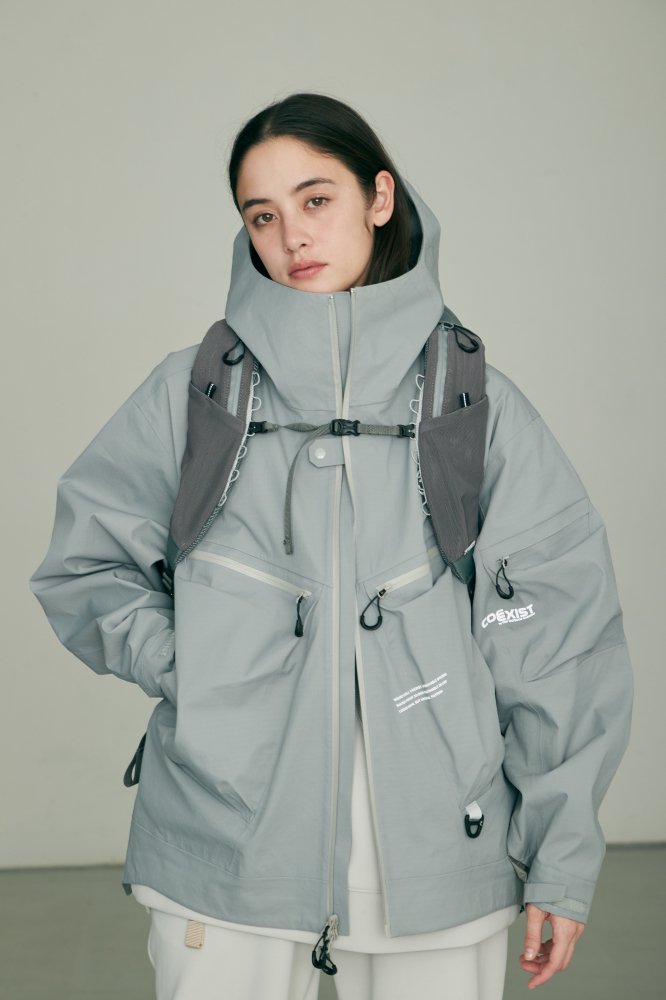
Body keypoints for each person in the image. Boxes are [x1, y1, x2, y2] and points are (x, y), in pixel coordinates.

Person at [30, 93, 632, 999]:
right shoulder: (196, 393)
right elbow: (85, 566)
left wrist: (561, 859)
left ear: (379, 198)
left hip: (442, 861)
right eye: (262, 215)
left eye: (316, 200)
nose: (292, 236)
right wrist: (192, 664)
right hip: (223, 856)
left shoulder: (472, 401)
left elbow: (559, 643)